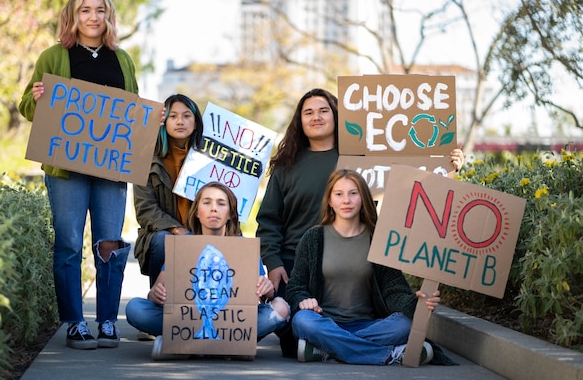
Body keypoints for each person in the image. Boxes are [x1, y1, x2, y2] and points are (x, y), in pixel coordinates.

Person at [255, 88, 464, 356]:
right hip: (296, 262)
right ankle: (381, 354)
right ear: (300, 120)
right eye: (308, 112)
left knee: (398, 325)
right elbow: (268, 220)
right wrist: (273, 263)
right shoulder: (286, 165)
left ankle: (329, 348)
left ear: (336, 117)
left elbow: (411, 183)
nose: (316, 117)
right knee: (293, 338)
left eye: (323, 110)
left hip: (357, 253)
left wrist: (448, 168)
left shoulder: (362, 161)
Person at [18, 0, 138, 350]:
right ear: (74, 15)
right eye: (85, 10)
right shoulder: (54, 56)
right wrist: (37, 100)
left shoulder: (123, 59)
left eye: (100, 10)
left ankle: (105, 321)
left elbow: (133, 113)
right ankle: (73, 321)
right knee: (69, 244)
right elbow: (26, 105)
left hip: (111, 169)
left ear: (108, 16)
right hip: (66, 170)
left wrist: (154, 119)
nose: (93, 17)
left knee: (109, 245)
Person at [286, 169, 440, 365]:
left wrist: (416, 302)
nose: (346, 200)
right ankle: (390, 354)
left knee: (405, 324)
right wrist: (302, 300)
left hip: (370, 324)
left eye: (353, 193)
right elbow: (295, 286)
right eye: (339, 194)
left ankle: (327, 349)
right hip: (325, 322)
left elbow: (393, 289)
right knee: (302, 321)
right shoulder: (313, 238)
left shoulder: (378, 239)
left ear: (363, 198)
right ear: (330, 201)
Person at [125, 182, 290, 356]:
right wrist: (156, 294)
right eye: (206, 202)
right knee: (135, 308)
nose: (213, 209)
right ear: (196, 212)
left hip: (231, 324)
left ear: (230, 214)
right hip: (186, 322)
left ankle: (185, 346)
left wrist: (268, 290)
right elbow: (153, 295)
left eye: (221, 203)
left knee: (281, 307)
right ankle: (227, 347)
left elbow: (264, 295)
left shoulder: (243, 248)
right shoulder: (183, 245)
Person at [133, 94, 203, 287]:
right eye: (173, 116)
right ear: (163, 121)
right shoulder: (146, 159)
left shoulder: (210, 159)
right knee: (164, 240)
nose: (180, 121)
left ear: (196, 123)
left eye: (187, 116)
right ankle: (160, 300)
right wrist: (177, 230)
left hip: (202, 232)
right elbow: (145, 209)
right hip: (164, 234)